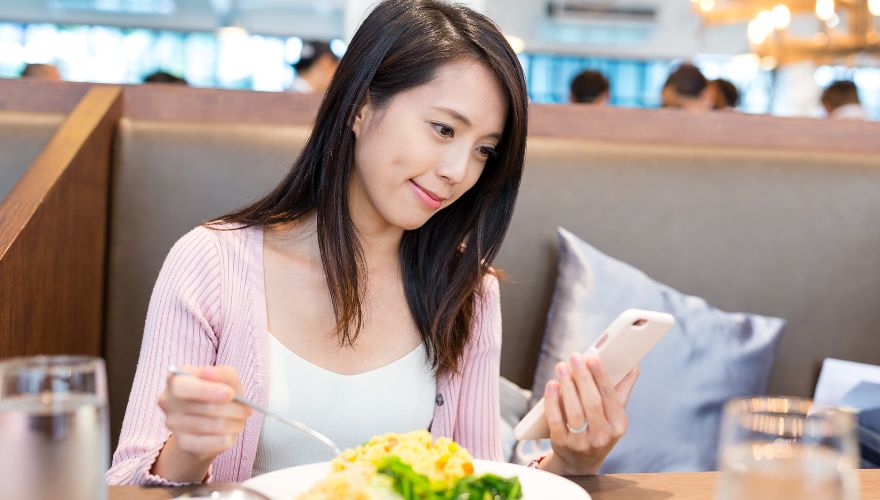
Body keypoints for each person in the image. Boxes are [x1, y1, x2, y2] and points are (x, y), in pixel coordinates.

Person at [107, 0, 638, 486]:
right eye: (443, 129)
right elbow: (124, 484)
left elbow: (478, 478)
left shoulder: (467, 293)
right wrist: (189, 451)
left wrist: (570, 461)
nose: (458, 171)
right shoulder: (211, 263)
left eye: (484, 150)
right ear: (360, 107)